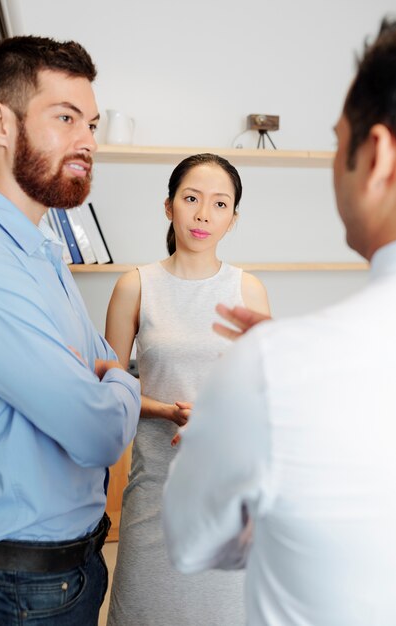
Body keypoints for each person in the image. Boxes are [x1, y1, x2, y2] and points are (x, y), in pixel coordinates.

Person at [163, 17, 396, 626]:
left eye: (336, 141)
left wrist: (263, 394)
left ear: (376, 158)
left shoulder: (276, 366)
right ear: (171, 206)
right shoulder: (277, 358)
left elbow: (190, 541)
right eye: (191, 197)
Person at [0, 36, 141, 625]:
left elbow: (100, 361)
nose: (87, 143)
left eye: (92, 124)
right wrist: (119, 383)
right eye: (65, 118)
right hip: (16, 587)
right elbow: (96, 430)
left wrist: (106, 377)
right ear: (0, 121)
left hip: (72, 569)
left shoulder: (42, 249)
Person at [105, 152, 270, 626]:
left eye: (220, 205)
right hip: (154, 493)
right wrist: (167, 410)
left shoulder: (248, 290)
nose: (203, 214)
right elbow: (110, 393)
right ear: (168, 205)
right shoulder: (136, 286)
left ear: (233, 219)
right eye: (192, 198)